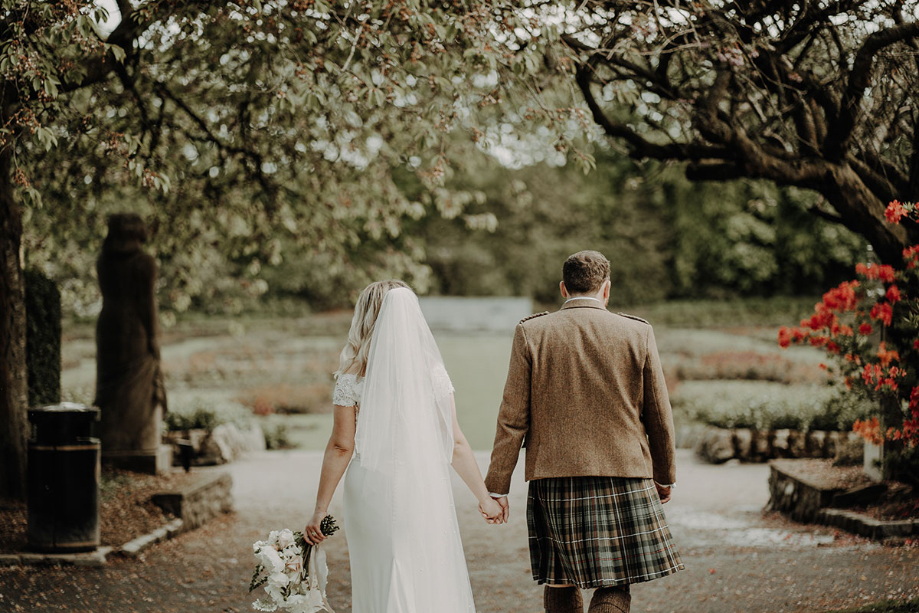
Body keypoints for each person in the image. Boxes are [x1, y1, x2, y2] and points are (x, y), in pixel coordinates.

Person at [484, 250, 684, 613]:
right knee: (615, 580)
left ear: (564, 288)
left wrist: (497, 486)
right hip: (624, 473)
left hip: (554, 477)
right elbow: (659, 416)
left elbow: (512, 418)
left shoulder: (532, 332)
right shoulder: (637, 332)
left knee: (561, 577)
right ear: (606, 289)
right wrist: (664, 474)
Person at [304, 280, 504, 612]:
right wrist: (484, 498)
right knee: (422, 572)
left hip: (370, 489)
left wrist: (320, 510)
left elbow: (341, 447)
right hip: (423, 487)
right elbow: (453, 442)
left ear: (367, 316)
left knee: (380, 572)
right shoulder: (432, 373)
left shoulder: (351, 376)